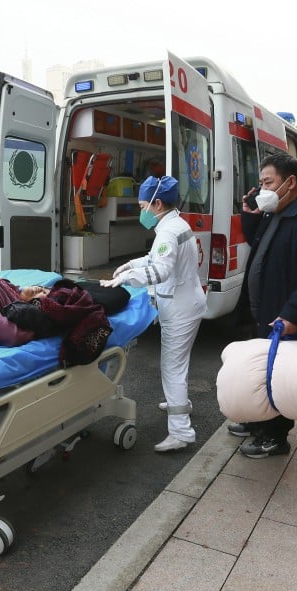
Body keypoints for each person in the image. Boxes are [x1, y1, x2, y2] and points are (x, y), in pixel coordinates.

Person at [232, 152, 297, 458]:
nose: (263, 189)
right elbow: (261, 248)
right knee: (259, 373)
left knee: (279, 378)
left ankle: (276, 437)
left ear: (290, 182)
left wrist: (292, 314)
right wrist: (251, 215)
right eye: (261, 183)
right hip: (262, 310)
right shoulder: (274, 211)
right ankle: (257, 422)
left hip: (285, 315)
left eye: (268, 182)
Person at [100, 175, 207, 452]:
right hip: (187, 302)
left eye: (143, 205)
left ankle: (181, 432)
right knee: (178, 364)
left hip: (181, 308)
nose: (141, 211)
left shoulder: (169, 231)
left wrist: (126, 279)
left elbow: (160, 270)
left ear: (157, 203)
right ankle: (178, 404)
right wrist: (129, 265)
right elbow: (153, 258)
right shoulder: (173, 224)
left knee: (172, 367)